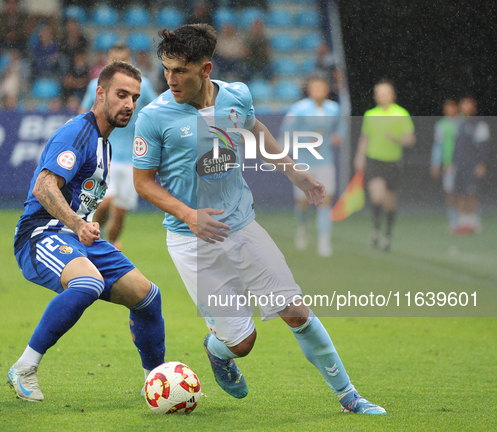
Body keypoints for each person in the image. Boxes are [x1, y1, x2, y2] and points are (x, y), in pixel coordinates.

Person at [133, 24, 385, 415]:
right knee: (242, 343)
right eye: (166, 70)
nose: (170, 79)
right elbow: (142, 182)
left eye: (180, 70)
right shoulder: (155, 116)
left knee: (296, 311)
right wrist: (188, 214)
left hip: (243, 226)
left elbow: (258, 130)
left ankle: (349, 396)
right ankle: (218, 351)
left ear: (205, 68)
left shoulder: (237, 96)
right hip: (191, 241)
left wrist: (294, 172)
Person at [8, 61, 165, 402]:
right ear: (100, 93)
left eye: (135, 98)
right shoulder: (78, 133)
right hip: (40, 235)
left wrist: (85, 224)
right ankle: (25, 367)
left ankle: (157, 385)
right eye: (121, 95)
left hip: (76, 236)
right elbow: (43, 186)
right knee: (88, 282)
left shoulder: (105, 143)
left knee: (148, 297)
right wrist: (78, 223)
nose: (129, 105)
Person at [81, 45, 157, 248]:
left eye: (123, 60)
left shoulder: (144, 86)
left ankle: (109, 244)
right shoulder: (95, 87)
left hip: (133, 158)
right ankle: (88, 235)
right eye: (115, 61)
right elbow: (85, 114)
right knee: (105, 202)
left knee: (120, 212)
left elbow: (157, 112)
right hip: (104, 155)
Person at [280, 75, 343, 257]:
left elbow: (341, 128)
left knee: (326, 200)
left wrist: (337, 137)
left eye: (322, 87)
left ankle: (324, 242)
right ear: (309, 89)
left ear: (327, 90)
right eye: (315, 88)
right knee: (303, 202)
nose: (318, 91)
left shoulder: (334, 108)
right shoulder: (299, 109)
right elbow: (286, 132)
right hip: (304, 161)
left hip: (326, 161)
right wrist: (303, 141)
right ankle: (303, 226)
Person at [354, 80, 415, 251]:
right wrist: (359, 157)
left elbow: (410, 139)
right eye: (378, 93)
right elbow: (364, 138)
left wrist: (396, 139)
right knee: (377, 196)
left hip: (393, 163)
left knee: (390, 203)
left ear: (393, 95)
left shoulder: (401, 114)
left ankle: (387, 235)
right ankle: (375, 229)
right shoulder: (370, 115)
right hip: (375, 161)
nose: (382, 96)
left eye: (385, 93)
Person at [450, 96, 489, 234]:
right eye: (463, 104)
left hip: (472, 166)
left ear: (474, 107)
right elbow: (456, 146)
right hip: (459, 165)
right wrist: (452, 163)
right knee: (458, 193)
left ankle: (474, 221)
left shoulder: (479, 124)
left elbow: (483, 147)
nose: (465, 107)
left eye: (468, 104)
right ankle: (462, 221)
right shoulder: (458, 124)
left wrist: (481, 164)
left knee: (471, 192)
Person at [430, 99, 460, 231]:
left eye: (451, 107)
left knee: (466, 192)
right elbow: (438, 146)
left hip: (464, 164)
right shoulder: (441, 125)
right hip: (449, 165)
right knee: (450, 192)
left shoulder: (463, 122)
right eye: (446, 107)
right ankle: (453, 220)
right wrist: (435, 163)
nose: (449, 110)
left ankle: (468, 219)